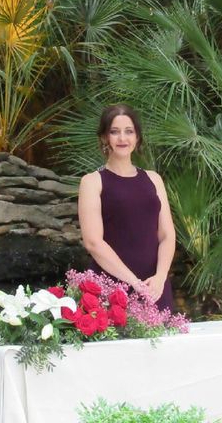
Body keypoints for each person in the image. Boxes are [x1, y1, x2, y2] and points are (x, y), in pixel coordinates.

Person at [78, 104, 176, 311]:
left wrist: (160, 277)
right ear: (105, 138)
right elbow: (93, 242)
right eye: (115, 132)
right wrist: (134, 282)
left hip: (155, 288)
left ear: (137, 137)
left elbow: (167, 235)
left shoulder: (154, 179)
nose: (122, 138)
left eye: (129, 131)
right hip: (112, 290)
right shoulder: (92, 182)